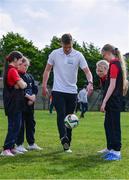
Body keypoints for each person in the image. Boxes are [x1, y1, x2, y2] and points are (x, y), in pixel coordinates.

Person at [42, 33, 93, 153]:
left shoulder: (78, 55)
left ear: (72, 44)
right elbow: (47, 70)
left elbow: (87, 71)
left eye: (69, 47)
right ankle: (63, 137)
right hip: (58, 90)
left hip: (72, 92)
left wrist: (90, 82)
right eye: (65, 47)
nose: (67, 49)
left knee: (70, 117)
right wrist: (44, 85)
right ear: (61, 44)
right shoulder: (54, 54)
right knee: (61, 114)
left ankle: (67, 143)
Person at [99, 44, 128, 161]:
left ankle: (116, 151)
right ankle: (111, 149)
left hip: (114, 101)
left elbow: (112, 85)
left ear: (109, 52)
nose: (104, 57)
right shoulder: (113, 64)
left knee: (114, 125)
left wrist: (104, 101)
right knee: (109, 124)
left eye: (104, 55)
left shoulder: (114, 64)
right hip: (112, 101)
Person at [1, 51, 27, 156]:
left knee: (17, 125)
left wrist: (20, 84)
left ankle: (11, 147)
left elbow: (20, 85)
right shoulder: (12, 70)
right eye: (20, 61)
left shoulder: (12, 70)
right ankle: (6, 148)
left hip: (16, 103)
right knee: (14, 125)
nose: (21, 63)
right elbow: (22, 85)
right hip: (13, 103)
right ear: (15, 59)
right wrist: (21, 83)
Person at [16, 57, 42, 152]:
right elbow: (19, 90)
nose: (26, 67)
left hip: (30, 105)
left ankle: (31, 143)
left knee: (31, 124)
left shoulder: (30, 76)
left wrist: (33, 97)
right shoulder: (17, 75)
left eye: (27, 65)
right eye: (24, 65)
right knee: (20, 125)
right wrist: (29, 97)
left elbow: (35, 88)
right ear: (19, 65)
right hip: (21, 105)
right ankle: (19, 144)